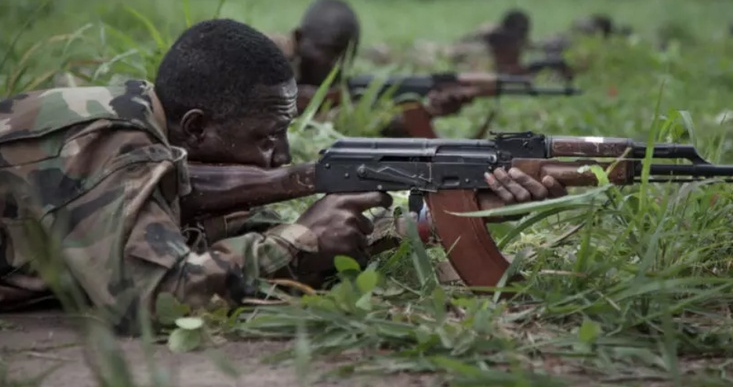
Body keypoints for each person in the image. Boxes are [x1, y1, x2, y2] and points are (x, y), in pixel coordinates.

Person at [0, 18, 567, 334]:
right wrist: (301, 238)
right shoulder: (108, 143)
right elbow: (154, 301)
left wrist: (441, 214)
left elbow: (211, 234)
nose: (278, 158)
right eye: (266, 137)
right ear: (196, 129)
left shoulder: (148, 126)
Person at [270, 0, 475, 134]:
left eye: (346, 55)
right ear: (299, 37)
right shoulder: (270, 55)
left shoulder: (333, 86)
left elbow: (353, 125)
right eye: (327, 51)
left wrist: (428, 112)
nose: (337, 65)